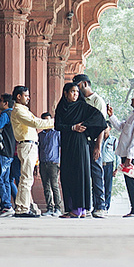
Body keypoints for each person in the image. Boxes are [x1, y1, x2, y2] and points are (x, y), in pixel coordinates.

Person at [54, 81, 108, 217]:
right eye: (72, 92)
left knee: (80, 174)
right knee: (67, 174)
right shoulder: (61, 108)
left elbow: (100, 120)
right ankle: (74, 208)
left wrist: (85, 126)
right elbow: (57, 126)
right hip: (67, 144)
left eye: (77, 92)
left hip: (80, 144)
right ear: (65, 93)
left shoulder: (83, 107)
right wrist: (73, 127)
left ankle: (80, 209)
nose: (75, 95)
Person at [6, 85, 54, 217]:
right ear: (18, 96)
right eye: (26, 95)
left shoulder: (24, 110)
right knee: (26, 178)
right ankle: (22, 208)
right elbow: (36, 123)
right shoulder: (18, 111)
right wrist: (55, 122)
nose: (28, 98)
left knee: (27, 178)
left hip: (30, 145)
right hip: (26, 145)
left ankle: (24, 206)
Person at [74, 74, 111, 216]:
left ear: (84, 84)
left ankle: (100, 206)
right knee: (84, 174)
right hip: (82, 141)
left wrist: (98, 146)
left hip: (94, 140)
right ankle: (86, 206)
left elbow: (101, 125)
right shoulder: (80, 101)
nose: (76, 90)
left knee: (96, 172)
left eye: (77, 86)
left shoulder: (97, 101)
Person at [110, 91, 134, 216]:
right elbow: (122, 127)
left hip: (132, 155)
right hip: (126, 153)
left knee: (133, 182)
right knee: (129, 182)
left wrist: (130, 157)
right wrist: (111, 116)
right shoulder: (133, 115)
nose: (132, 100)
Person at [37, 114, 62, 215]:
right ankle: (49, 208)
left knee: (54, 186)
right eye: (44, 121)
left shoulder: (56, 133)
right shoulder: (40, 135)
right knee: (46, 186)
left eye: (48, 120)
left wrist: (60, 162)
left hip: (53, 163)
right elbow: (38, 149)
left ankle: (58, 208)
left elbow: (61, 147)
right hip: (43, 163)